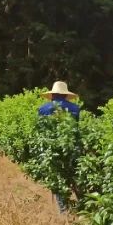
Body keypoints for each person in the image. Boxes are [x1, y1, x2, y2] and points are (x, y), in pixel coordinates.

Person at [37, 81, 80, 212]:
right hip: (69, 145)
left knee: (55, 176)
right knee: (70, 174)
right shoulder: (75, 109)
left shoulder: (43, 109)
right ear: (66, 95)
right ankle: (77, 204)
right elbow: (76, 129)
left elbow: (40, 130)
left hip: (50, 147)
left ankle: (63, 209)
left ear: (53, 94)